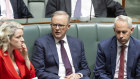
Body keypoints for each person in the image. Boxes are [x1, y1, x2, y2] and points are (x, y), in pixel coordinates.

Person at [32, 11, 90, 79]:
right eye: (54, 25)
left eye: (60, 25)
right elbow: (38, 71)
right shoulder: (41, 43)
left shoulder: (77, 43)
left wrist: (78, 75)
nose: (57, 28)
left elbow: (86, 69)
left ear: (68, 26)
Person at [45, 0, 127, 18]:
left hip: (94, 31)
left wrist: (123, 21)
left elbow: (117, 7)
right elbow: (49, 18)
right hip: (66, 32)